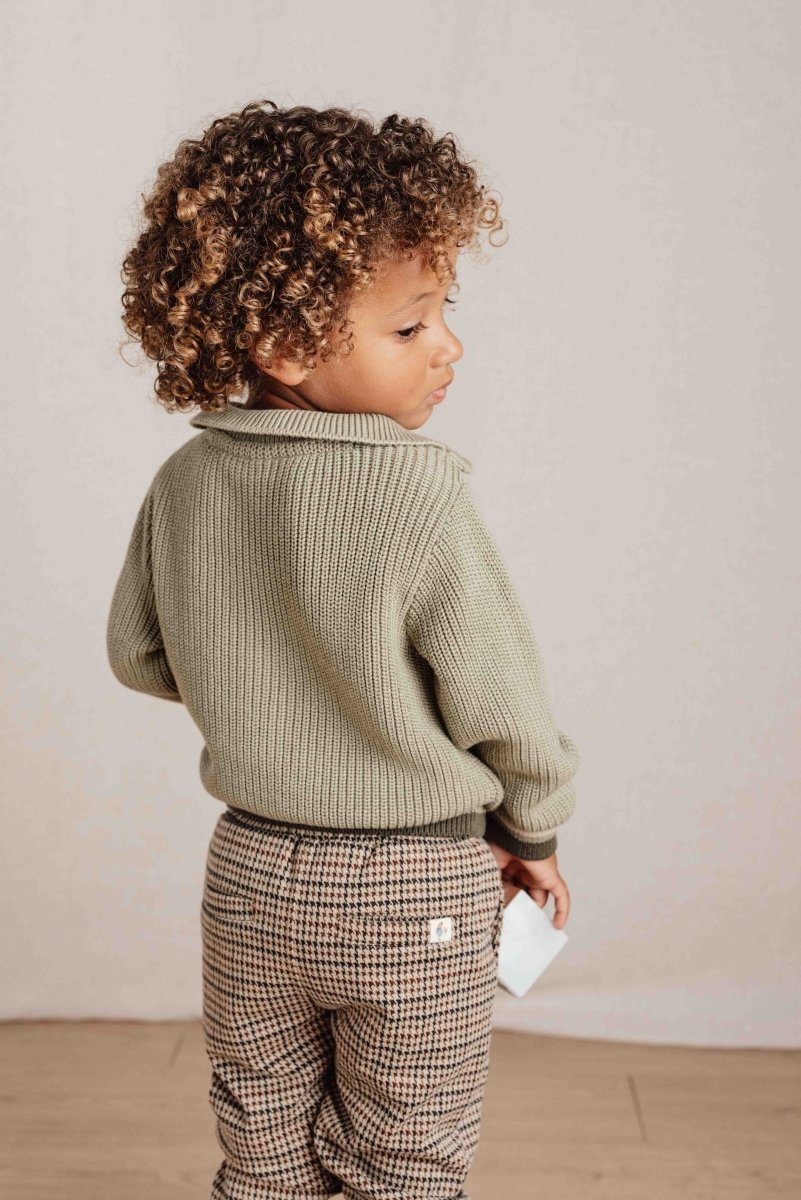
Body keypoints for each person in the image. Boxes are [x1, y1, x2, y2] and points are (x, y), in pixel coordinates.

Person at [106, 98, 580, 1200]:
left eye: (444, 312)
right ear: (282, 345)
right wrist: (532, 830)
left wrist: (261, 683)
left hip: (249, 876)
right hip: (416, 886)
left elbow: (138, 653)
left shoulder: (187, 480)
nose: (447, 345)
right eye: (409, 327)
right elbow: (501, 698)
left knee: (264, 1155)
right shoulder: (419, 493)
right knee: (403, 1162)